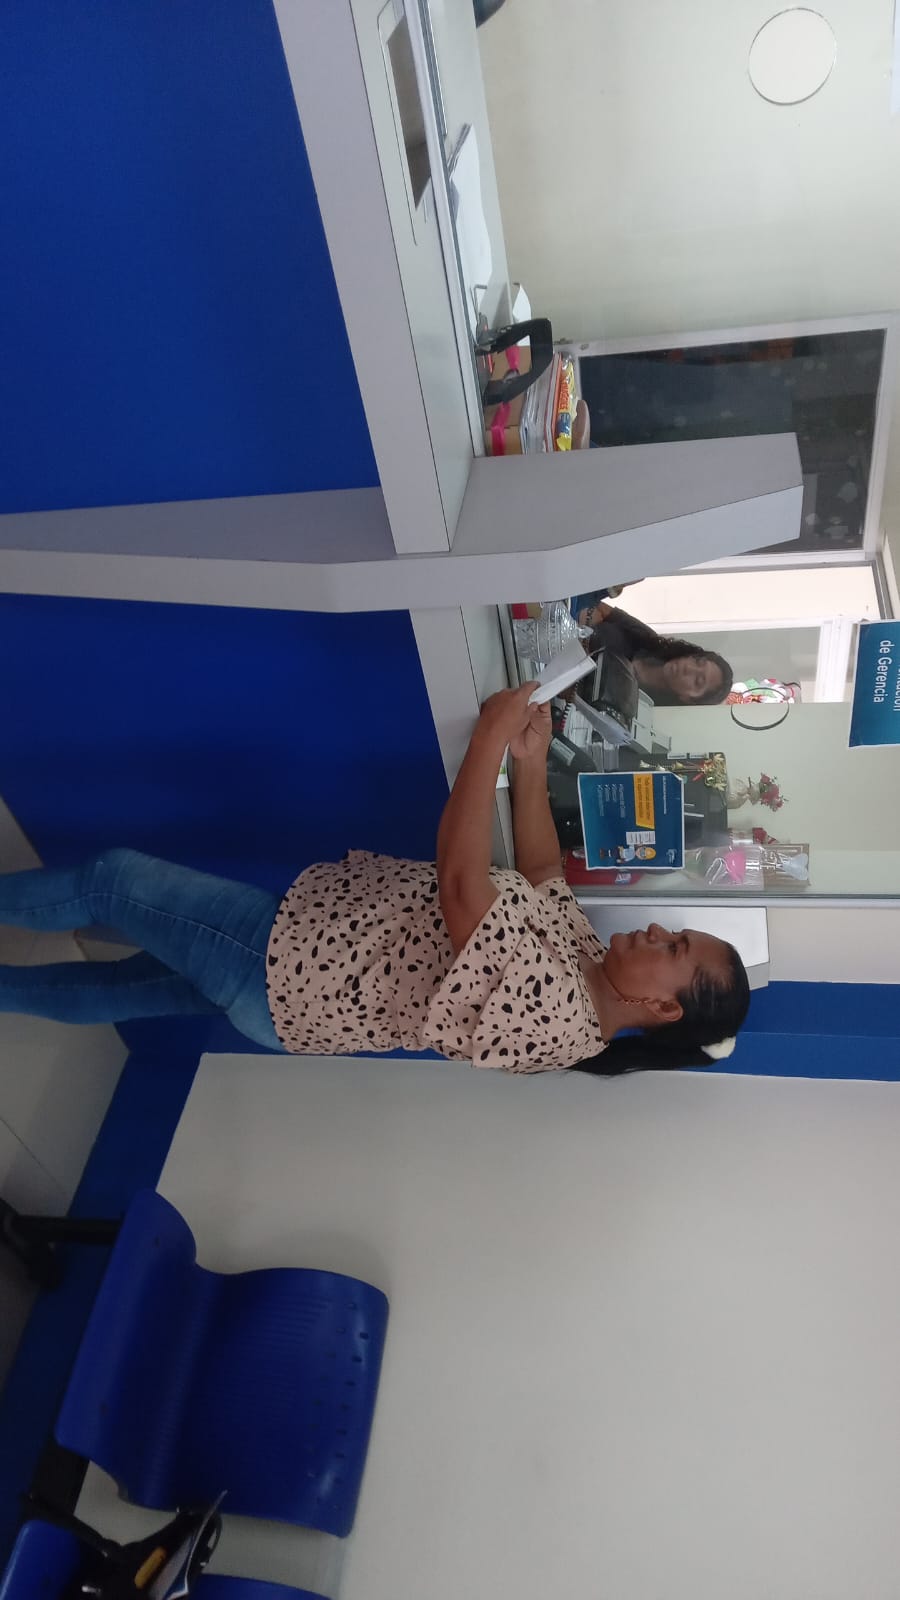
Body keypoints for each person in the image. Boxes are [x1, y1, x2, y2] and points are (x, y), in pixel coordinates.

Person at [0, 686, 749, 1074]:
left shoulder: (562, 1022)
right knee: (125, 987)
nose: (659, 929)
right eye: (676, 931)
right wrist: (529, 761)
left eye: (675, 948)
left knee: (112, 882)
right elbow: (544, 873)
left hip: (289, 966)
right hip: (299, 980)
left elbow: (464, 892)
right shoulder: (588, 965)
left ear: (663, 1007)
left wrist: (489, 740)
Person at [582, 601, 733, 707]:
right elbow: (597, 607)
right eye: (698, 662)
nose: (689, 668)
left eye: (697, 681)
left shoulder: (637, 704)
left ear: (689, 699)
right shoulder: (650, 640)